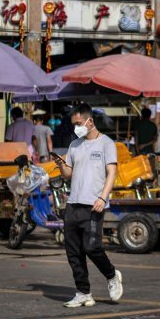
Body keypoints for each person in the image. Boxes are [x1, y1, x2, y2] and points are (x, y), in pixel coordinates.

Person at [53, 103, 123, 308]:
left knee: (92, 247)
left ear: (89, 121)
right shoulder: (75, 145)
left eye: (78, 123)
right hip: (73, 203)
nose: (76, 128)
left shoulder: (106, 144)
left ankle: (112, 276)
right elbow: (69, 174)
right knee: (73, 251)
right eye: (74, 124)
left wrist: (103, 198)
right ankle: (83, 292)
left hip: (94, 204)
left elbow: (112, 173)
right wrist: (61, 166)